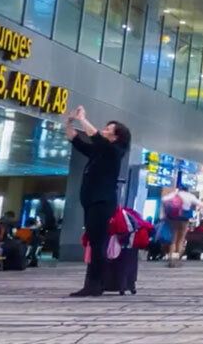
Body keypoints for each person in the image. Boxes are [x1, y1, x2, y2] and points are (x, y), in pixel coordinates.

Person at [64, 106, 130, 297]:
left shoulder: (114, 152)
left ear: (116, 136)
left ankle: (94, 284)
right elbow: (76, 140)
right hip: (91, 201)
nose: (105, 129)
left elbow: (95, 137)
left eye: (109, 128)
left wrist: (83, 118)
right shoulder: (99, 152)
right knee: (94, 242)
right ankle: (93, 283)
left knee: (97, 242)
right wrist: (70, 122)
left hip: (102, 202)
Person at [160, 185, 200, 268]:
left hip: (173, 219)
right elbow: (200, 204)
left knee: (173, 240)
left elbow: (163, 199)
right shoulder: (189, 196)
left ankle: (171, 260)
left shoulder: (175, 194)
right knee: (181, 240)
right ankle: (176, 260)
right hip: (184, 219)